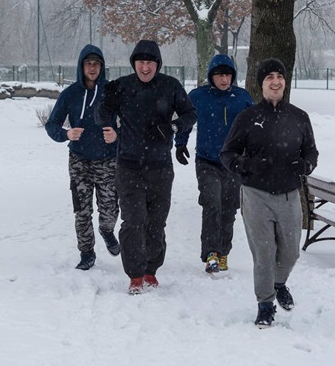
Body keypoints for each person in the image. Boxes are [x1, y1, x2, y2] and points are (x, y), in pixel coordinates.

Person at [220, 58, 318, 328]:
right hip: (256, 194)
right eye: (269, 77)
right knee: (264, 253)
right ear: (261, 84)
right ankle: (265, 304)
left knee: (290, 253)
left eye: (280, 76)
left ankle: (279, 283)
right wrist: (247, 165)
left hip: (288, 194)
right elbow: (227, 154)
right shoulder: (248, 118)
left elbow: (311, 151)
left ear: (285, 81)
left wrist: (305, 164)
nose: (276, 82)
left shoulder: (299, 117)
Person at [96, 39, 197, 294]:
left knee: (156, 221)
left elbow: (190, 115)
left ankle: (151, 269)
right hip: (129, 165)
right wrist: (106, 107)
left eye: (150, 62)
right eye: (140, 62)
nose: (145, 67)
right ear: (134, 63)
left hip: (161, 166)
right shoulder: (121, 87)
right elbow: (102, 116)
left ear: (157, 64)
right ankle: (135, 274)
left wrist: (171, 127)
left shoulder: (170, 86)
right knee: (133, 220)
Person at [174, 54, 253, 274]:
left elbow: (254, 127)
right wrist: (180, 144)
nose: (224, 79)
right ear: (211, 76)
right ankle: (210, 254)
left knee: (228, 209)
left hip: (234, 162)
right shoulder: (199, 96)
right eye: (219, 75)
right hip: (207, 161)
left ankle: (223, 252)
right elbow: (186, 120)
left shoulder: (242, 98)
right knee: (211, 204)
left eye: (227, 74)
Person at [45, 44, 120, 271]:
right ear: (81, 66)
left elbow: (130, 122)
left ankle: (107, 230)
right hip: (79, 161)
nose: (92, 67)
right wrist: (66, 133)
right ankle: (87, 252)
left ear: (102, 67)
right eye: (88, 63)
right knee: (82, 211)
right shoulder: (70, 94)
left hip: (107, 159)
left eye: (96, 63)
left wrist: (117, 135)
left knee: (109, 209)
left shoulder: (112, 91)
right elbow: (51, 124)